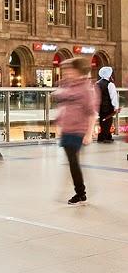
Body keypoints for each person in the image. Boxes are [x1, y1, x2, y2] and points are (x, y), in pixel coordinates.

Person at [55, 55, 98, 205]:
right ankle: (80, 191)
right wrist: (59, 125)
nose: (67, 73)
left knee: (73, 161)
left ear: (78, 71)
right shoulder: (67, 86)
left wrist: (89, 133)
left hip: (78, 130)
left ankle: (80, 193)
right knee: (72, 161)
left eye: (70, 70)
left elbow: (91, 113)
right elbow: (63, 106)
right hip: (67, 128)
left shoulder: (86, 89)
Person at [96, 66, 118, 143]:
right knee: (108, 122)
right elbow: (113, 97)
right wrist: (116, 107)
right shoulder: (110, 84)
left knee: (102, 121)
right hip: (108, 107)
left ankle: (106, 136)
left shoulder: (97, 83)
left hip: (100, 107)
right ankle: (104, 137)